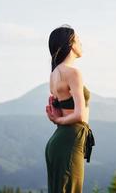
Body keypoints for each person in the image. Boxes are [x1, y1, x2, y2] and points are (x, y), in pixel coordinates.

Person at [44, 24, 95, 193]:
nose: (81, 44)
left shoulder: (54, 75)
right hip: (71, 141)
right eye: (79, 40)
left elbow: (60, 112)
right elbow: (79, 115)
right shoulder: (73, 73)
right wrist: (58, 119)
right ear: (71, 44)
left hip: (59, 141)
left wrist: (58, 119)